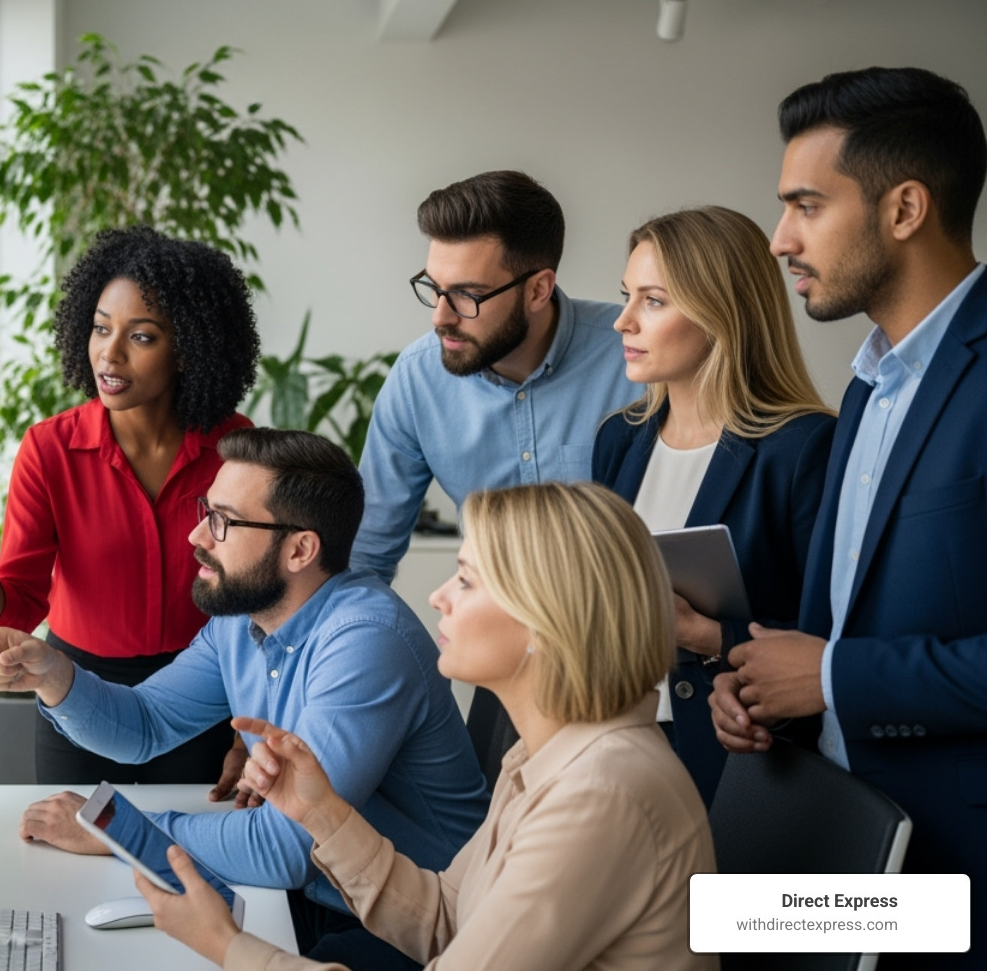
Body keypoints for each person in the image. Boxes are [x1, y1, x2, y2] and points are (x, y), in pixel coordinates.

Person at [0, 429, 487, 971]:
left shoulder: (366, 640)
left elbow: (285, 849)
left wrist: (123, 833)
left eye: (223, 521)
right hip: (320, 896)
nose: (196, 536)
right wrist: (53, 675)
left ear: (300, 549)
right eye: (206, 510)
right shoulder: (241, 621)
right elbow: (146, 725)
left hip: (418, 928)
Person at [135, 482, 716, 970]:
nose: (438, 597)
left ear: (544, 620)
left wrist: (227, 946)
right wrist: (321, 812)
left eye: (464, 579)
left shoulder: (599, 794)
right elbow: (448, 919)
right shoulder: (550, 759)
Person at [710, 67, 987, 969]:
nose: (781, 239)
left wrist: (830, 677)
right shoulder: (868, 384)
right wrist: (766, 691)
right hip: (825, 836)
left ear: (905, 208)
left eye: (806, 205)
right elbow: (845, 617)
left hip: (953, 877)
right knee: (697, 939)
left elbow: (841, 661)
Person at [0, 225, 260, 788]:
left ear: (190, 347)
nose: (110, 353)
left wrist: (253, 731)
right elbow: (16, 610)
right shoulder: (50, 450)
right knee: (68, 863)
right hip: (78, 691)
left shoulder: (237, 449)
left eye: (141, 337)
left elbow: (258, 604)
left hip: (204, 696)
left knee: (192, 864)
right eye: (100, 329)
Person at [592, 205, 834, 804]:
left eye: (652, 300)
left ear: (720, 312)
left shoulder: (803, 447)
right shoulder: (618, 439)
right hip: (611, 750)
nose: (623, 321)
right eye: (627, 296)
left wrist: (706, 634)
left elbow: (830, 645)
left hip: (739, 765)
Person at [351, 170, 637, 583]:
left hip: (623, 628)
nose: (440, 317)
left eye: (467, 295)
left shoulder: (634, 355)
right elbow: (367, 557)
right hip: (493, 629)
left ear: (538, 289)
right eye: (434, 287)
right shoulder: (416, 379)